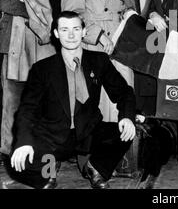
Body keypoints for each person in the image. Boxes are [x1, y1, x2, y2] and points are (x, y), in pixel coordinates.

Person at [10, 11, 136, 189]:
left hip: (89, 132)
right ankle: (49, 168)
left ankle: (95, 167)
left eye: (76, 29)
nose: (70, 35)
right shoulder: (42, 69)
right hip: (52, 136)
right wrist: (23, 143)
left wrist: (127, 117)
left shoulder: (99, 61)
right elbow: (27, 109)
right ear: (56, 33)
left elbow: (124, 92)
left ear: (84, 32)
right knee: (18, 161)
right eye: (64, 29)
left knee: (127, 132)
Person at [0, 0, 55, 156]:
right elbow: (7, 4)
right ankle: (6, 150)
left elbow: (52, 6)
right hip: (14, 44)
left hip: (42, 44)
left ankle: (36, 148)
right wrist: (37, 3)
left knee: (41, 98)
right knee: (11, 99)